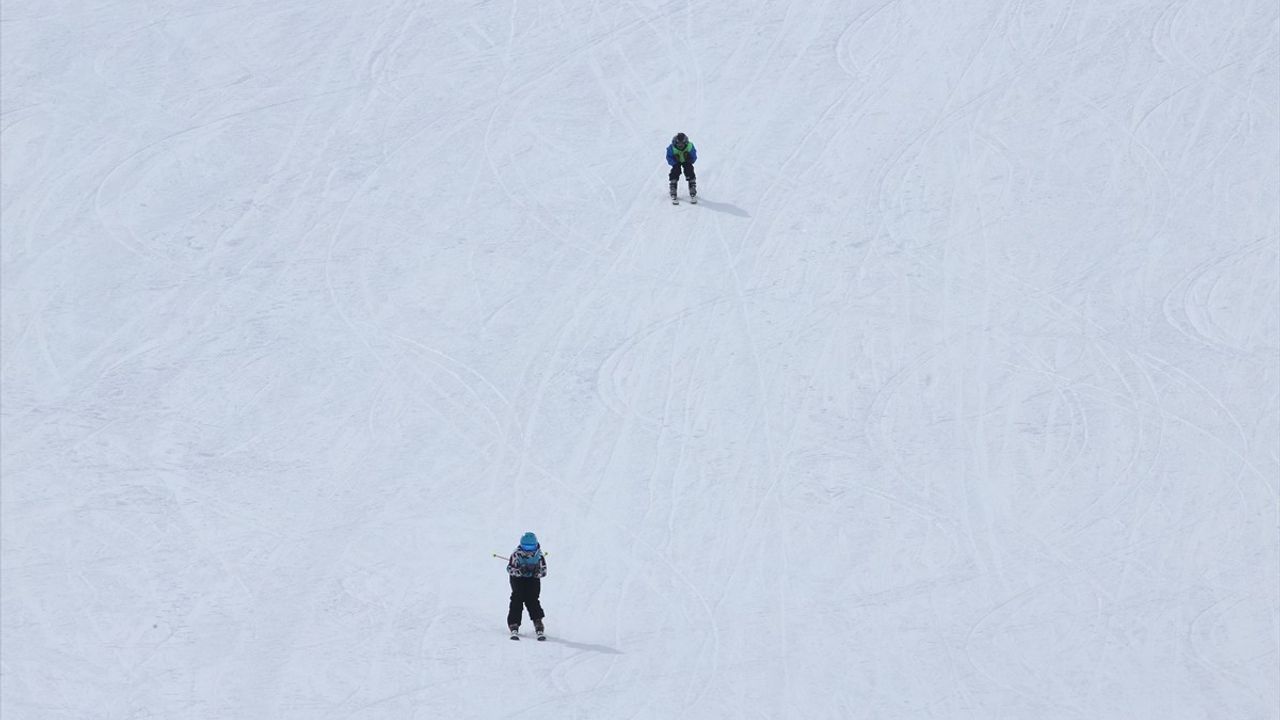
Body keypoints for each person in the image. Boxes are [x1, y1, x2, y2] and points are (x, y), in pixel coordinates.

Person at [507, 531, 547, 639]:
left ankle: (538, 622)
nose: (528, 551)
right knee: (517, 598)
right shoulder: (516, 554)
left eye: (531, 547)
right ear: (521, 545)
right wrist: (520, 570)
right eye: (526, 547)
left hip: (532, 580)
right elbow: (509, 569)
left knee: (532, 599)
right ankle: (514, 623)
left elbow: (544, 571)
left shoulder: (539, 555)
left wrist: (536, 572)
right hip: (518, 579)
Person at [666, 132, 697, 202]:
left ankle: (692, 185)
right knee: (675, 170)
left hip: (686, 161)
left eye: (682, 144)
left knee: (689, 169)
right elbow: (668, 157)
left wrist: (690, 159)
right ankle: (673, 185)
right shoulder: (672, 148)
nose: (680, 146)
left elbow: (694, 157)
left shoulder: (690, 147)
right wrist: (674, 161)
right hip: (676, 161)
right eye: (679, 144)